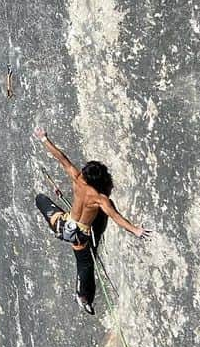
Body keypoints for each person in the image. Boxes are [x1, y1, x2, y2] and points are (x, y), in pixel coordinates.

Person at [33, 128, 150, 315]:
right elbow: (115, 217)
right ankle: (82, 296)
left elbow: (62, 158)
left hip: (62, 223)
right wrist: (135, 230)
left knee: (40, 199)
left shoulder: (77, 178)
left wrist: (44, 139)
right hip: (78, 236)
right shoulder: (100, 199)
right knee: (85, 265)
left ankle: (47, 210)